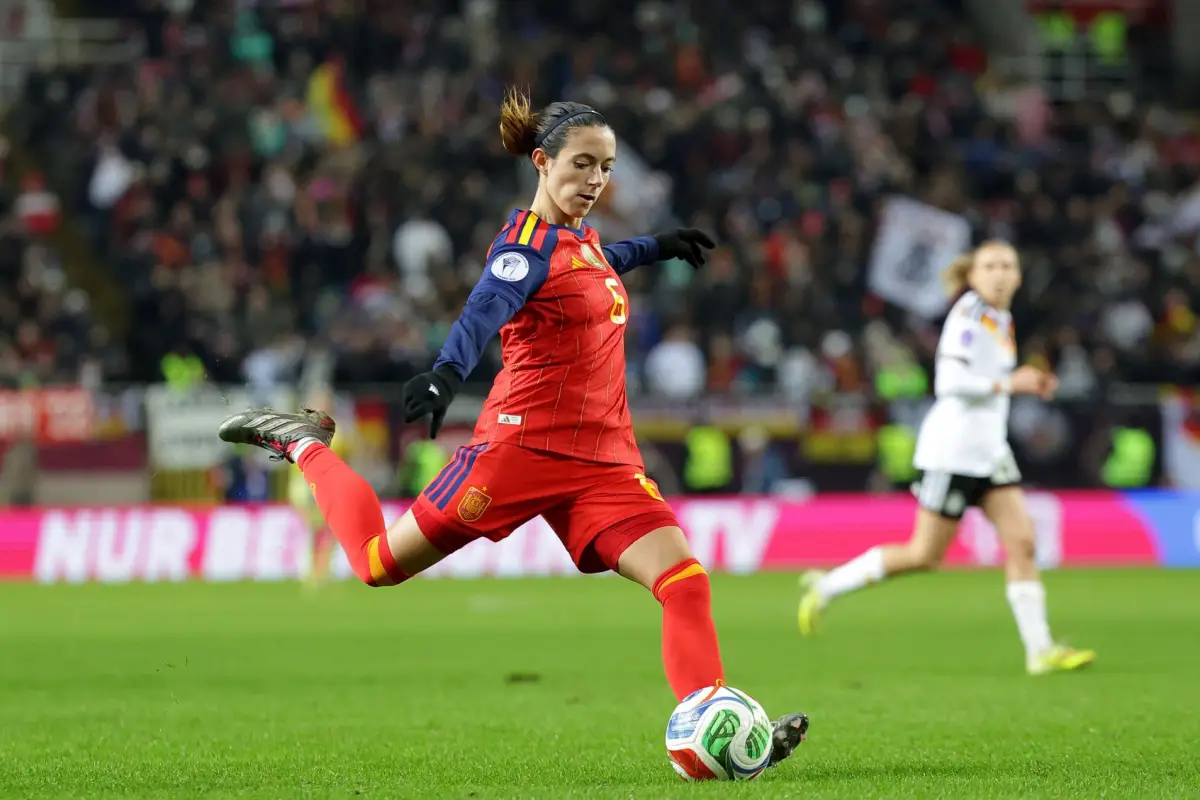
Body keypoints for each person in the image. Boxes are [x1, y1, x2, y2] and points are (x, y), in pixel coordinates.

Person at [218, 88, 809, 769]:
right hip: (519, 449)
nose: (596, 181)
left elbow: (594, 266)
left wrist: (653, 247)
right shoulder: (523, 246)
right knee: (378, 565)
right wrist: (445, 373)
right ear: (541, 162)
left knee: (684, 581)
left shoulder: (579, 242)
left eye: (606, 168)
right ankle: (304, 444)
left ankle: (719, 732)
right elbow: (486, 306)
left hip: (602, 463)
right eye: (582, 165)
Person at [797, 241, 1096, 676]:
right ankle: (827, 586)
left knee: (1023, 542)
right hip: (953, 451)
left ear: (1018, 276)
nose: (998, 273)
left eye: (1007, 266)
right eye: (989, 266)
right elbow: (950, 380)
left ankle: (1040, 651)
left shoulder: (1001, 319)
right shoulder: (968, 318)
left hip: (990, 451)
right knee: (923, 554)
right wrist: (1011, 384)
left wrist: (1017, 382)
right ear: (972, 276)